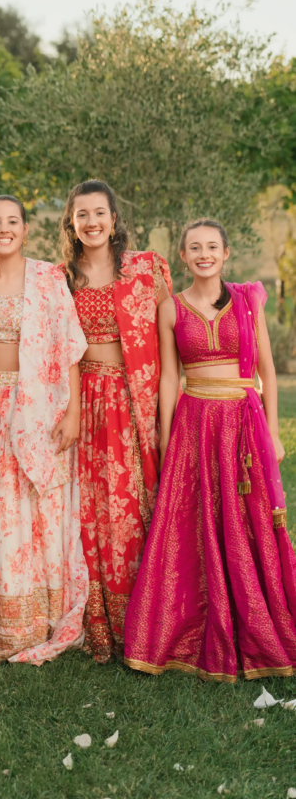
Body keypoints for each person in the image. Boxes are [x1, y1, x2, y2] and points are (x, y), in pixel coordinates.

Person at [125, 219, 296, 681]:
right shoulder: (171, 309)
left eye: (212, 247)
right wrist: (164, 437)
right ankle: (190, 630)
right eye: (195, 247)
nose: (204, 254)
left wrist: (275, 434)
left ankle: (257, 627)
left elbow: (267, 367)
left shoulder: (247, 302)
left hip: (243, 421)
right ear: (183, 256)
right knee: (192, 524)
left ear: (225, 253)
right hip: (195, 423)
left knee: (250, 520)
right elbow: (168, 378)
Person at [58, 180, 172, 664]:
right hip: (85, 399)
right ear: (71, 223)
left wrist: (168, 417)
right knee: (93, 509)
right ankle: (99, 621)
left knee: (136, 505)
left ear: (114, 218)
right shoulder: (61, 278)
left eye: (99, 212)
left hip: (134, 399)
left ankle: (147, 622)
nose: (91, 222)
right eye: (82, 214)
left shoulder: (145, 271)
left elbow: (171, 344)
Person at [0, 196, 89, 664]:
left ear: (25, 230)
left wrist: (74, 412)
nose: (4, 228)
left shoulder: (47, 279)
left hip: (39, 408)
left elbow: (70, 348)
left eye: (13, 221)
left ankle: (38, 618)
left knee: (35, 510)